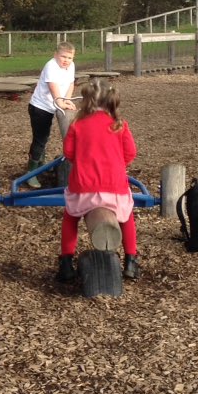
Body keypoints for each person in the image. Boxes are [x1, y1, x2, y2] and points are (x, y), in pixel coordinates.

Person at [58, 77, 139, 282]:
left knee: (70, 217)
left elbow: (68, 153)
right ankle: (131, 260)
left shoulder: (78, 124)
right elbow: (130, 153)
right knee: (127, 216)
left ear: (86, 101)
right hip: (114, 190)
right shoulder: (119, 125)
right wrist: (116, 166)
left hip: (83, 189)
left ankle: (66, 262)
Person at [25, 41, 77, 188]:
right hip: (40, 107)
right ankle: (31, 173)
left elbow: (71, 83)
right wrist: (60, 102)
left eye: (70, 57)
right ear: (56, 55)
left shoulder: (70, 66)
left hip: (52, 105)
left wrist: (66, 100)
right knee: (40, 138)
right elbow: (53, 86)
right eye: (63, 57)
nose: (66, 60)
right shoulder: (51, 66)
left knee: (44, 137)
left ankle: (40, 165)